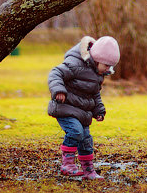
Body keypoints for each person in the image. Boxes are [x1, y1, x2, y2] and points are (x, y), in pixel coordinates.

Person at [47, 35, 120, 179]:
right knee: (75, 131)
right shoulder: (75, 63)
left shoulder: (98, 73)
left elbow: (95, 94)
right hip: (65, 107)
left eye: (110, 66)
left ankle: (88, 171)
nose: (108, 69)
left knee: (86, 141)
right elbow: (55, 73)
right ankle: (67, 165)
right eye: (106, 65)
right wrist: (59, 90)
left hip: (83, 113)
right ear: (97, 59)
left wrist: (98, 110)